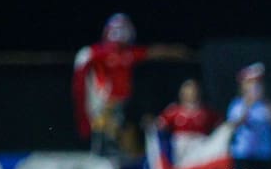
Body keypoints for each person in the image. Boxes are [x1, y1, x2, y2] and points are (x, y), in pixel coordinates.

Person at [72, 12, 190, 157]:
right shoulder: (97, 53)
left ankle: (127, 159)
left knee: (126, 134)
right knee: (106, 134)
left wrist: (174, 51)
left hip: (124, 103)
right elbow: (82, 68)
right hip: (105, 104)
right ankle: (100, 156)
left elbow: (151, 52)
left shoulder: (128, 53)